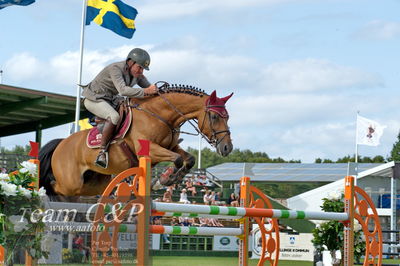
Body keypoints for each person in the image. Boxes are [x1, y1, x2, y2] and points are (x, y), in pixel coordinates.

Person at [82, 48, 158, 168]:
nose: (141, 71)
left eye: (143, 69)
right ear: (130, 62)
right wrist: (146, 91)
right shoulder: (115, 69)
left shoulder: (137, 75)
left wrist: (159, 91)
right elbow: (123, 90)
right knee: (114, 117)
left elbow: (150, 89)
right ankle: (102, 153)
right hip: (94, 99)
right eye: (139, 67)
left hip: (111, 100)